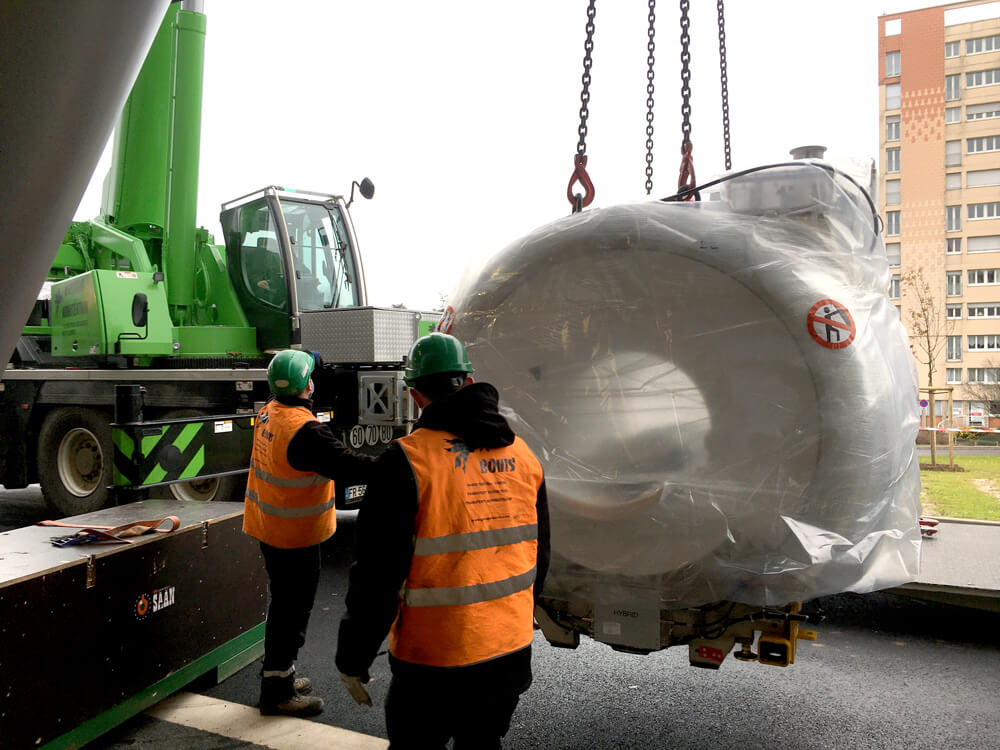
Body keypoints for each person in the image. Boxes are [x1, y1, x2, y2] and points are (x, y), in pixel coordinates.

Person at [335, 332, 550, 749]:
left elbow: (375, 578)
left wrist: (353, 658)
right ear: (469, 383)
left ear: (415, 395)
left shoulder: (407, 462)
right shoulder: (524, 456)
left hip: (433, 664)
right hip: (508, 652)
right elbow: (540, 556)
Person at [244, 348, 375, 718]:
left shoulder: (270, 412)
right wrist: (399, 462)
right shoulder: (306, 431)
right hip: (294, 535)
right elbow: (349, 465)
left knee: (284, 606)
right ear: (308, 385)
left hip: (270, 527)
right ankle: (278, 692)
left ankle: (279, 673)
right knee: (291, 610)